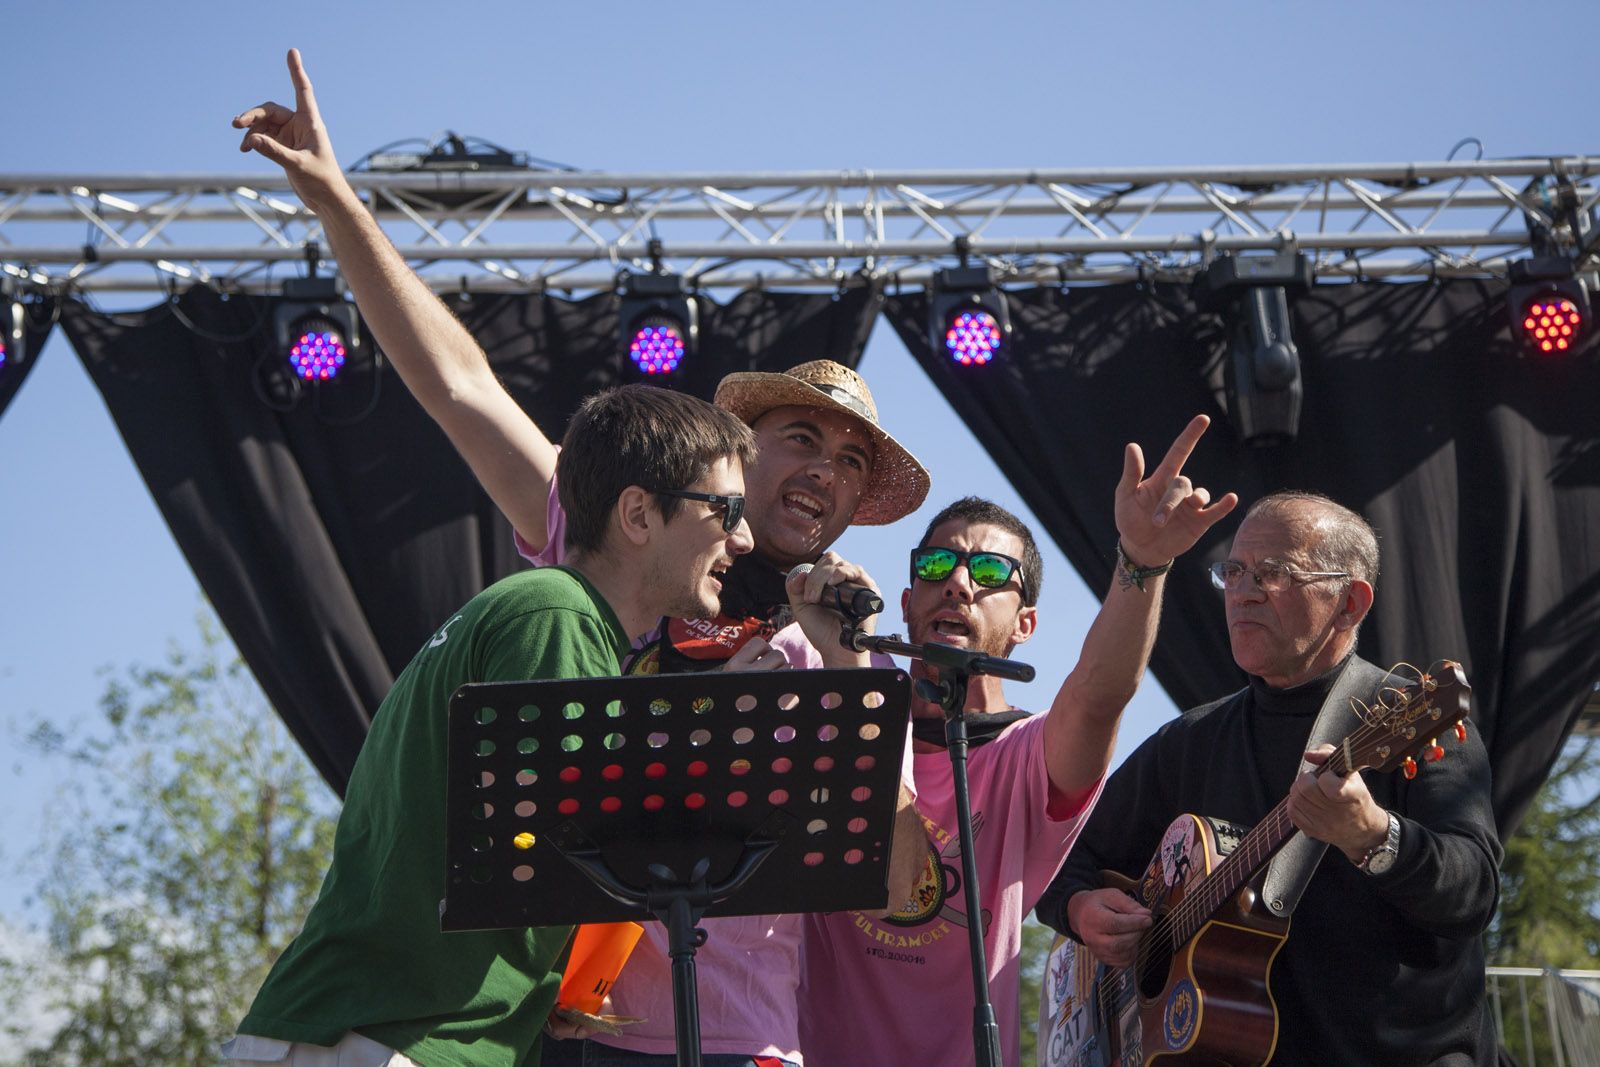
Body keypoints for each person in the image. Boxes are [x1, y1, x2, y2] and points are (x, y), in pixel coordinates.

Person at [235, 50, 925, 1067]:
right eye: (801, 438)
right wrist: (339, 204)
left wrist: (847, 662)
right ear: (735, 461)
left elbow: (901, 888)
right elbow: (459, 385)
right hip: (563, 1035)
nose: (825, 468)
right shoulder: (612, 543)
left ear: (858, 506)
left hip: (742, 1038)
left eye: (852, 461)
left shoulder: (843, 645)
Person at [223, 385, 758, 1067]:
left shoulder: (544, 612)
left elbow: (523, 839)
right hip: (382, 1039)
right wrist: (726, 726)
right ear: (637, 514)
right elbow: (572, 828)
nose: (743, 537)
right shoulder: (556, 614)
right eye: (726, 509)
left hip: (369, 1031)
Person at [781, 417, 1238, 1067]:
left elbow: (1100, 692)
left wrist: (1142, 562)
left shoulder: (1027, 753)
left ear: (1026, 623)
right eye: (937, 564)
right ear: (906, 602)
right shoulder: (846, 684)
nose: (959, 582)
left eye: (991, 570)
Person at [1036, 491, 1502, 1066]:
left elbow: (1474, 893)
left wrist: (1374, 837)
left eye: (1273, 573)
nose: (1243, 592)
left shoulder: (1415, 721)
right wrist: (1081, 909)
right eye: (1233, 572)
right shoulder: (1189, 742)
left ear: (1350, 603)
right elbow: (1056, 857)